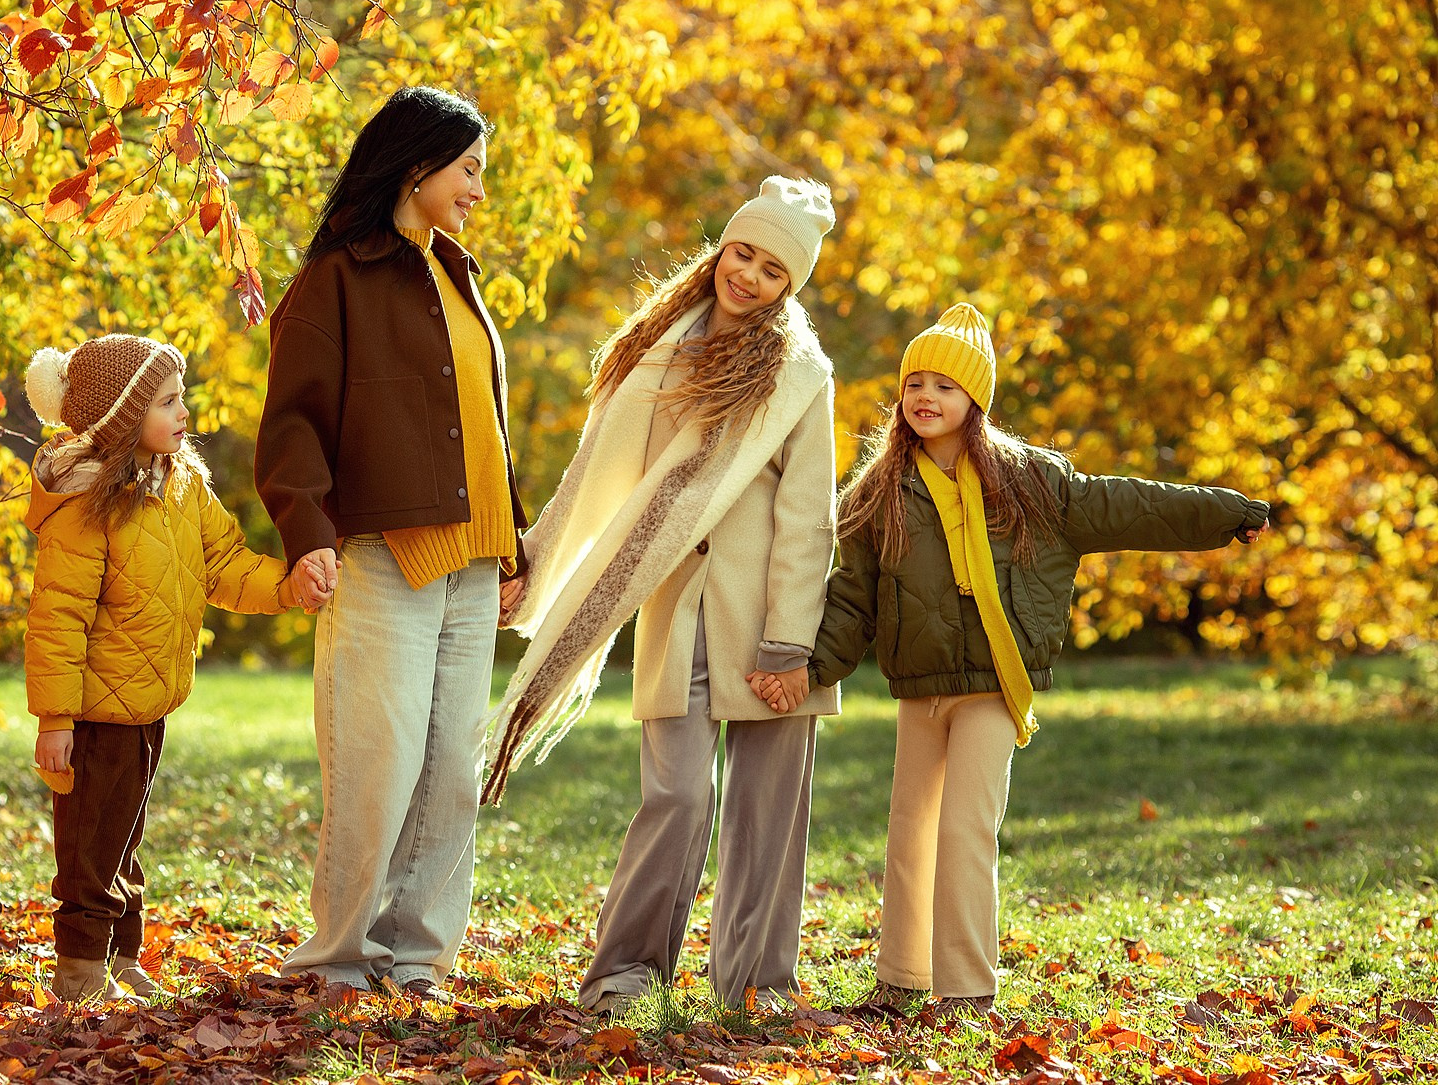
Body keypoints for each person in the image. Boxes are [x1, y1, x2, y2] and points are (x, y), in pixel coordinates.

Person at [803, 303, 1270, 1019]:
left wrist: (1221, 511)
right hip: (920, 685)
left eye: (944, 386)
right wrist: (810, 670)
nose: (925, 397)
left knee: (965, 828)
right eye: (914, 384)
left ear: (976, 400)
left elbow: (1131, 507)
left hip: (996, 683)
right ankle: (900, 980)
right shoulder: (879, 493)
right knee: (910, 827)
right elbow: (852, 600)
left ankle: (964, 988)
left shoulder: (1033, 484)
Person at [484, 176, 841, 1016]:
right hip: (675, 607)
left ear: (791, 285)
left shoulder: (802, 374)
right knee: (677, 794)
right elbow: (598, 476)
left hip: (771, 623)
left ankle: (757, 982)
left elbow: (807, 518)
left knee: (766, 816)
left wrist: (791, 643)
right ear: (723, 247)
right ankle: (626, 970)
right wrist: (537, 560)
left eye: (772, 271)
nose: (747, 276)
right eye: (742, 253)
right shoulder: (660, 346)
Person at [255, 86, 531, 1007]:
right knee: (378, 761)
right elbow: (292, 424)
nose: (477, 191)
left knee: (451, 766)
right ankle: (338, 957)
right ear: (417, 168)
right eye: (468, 170)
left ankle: (415, 955)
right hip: (381, 552)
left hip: (471, 558)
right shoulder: (336, 276)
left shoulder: (455, 270)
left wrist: (514, 543)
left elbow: (480, 423)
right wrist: (306, 533)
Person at [21, 333, 334, 1004]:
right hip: (94, 714)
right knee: (89, 852)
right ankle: (79, 973)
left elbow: (223, 564)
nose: (182, 411)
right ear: (124, 416)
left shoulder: (182, 482)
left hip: (147, 705)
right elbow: (58, 617)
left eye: (180, 397)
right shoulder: (83, 503)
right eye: (166, 401)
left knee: (124, 841)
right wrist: (55, 717)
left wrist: (287, 584)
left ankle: (123, 956)